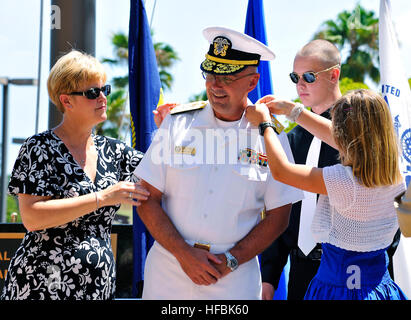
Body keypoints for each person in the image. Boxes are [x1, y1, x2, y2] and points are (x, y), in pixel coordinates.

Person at [133, 26, 304, 300]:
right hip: (169, 272)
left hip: (234, 278)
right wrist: (184, 254)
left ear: (252, 81)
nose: (215, 85)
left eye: (227, 77)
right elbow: (146, 198)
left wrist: (232, 260)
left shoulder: (270, 136)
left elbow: (279, 216)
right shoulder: (177, 123)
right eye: (210, 73)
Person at [1, 50, 150, 300]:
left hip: (97, 286)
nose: (103, 98)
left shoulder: (114, 151)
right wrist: (103, 198)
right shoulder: (39, 148)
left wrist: (169, 127)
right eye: (92, 93)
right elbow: (33, 217)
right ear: (67, 101)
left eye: (105, 89)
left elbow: (164, 174)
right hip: (41, 285)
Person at [259, 40, 401, 300]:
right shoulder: (398, 179)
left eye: (309, 77)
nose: (300, 83)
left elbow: (281, 172)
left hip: (334, 283)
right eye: (295, 77)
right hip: (375, 286)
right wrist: (293, 111)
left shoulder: (342, 180)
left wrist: (265, 124)